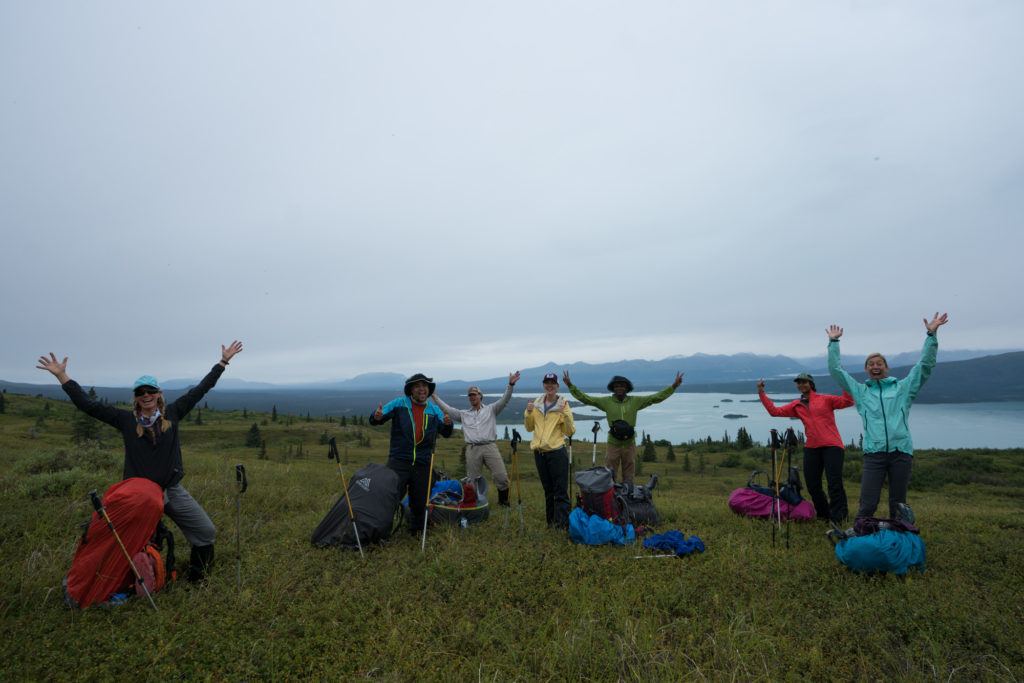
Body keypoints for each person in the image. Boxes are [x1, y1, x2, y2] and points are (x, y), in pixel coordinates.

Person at [36, 341, 244, 582]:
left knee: (205, 531)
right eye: (140, 392)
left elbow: (201, 389)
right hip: (139, 497)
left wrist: (223, 362)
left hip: (171, 489)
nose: (146, 396)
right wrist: (63, 376)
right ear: (135, 398)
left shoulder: (173, 415)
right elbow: (88, 405)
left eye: (151, 391)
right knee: (139, 542)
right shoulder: (125, 420)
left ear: (159, 395)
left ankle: (199, 580)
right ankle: (135, 582)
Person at [827, 313, 949, 520]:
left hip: (901, 451)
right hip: (874, 453)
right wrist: (833, 342)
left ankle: (899, 540)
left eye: (879, 363)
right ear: (866, 369)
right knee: (867, 503)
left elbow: (924, 367)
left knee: (898, 504)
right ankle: (860, 537)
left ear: (886, 367)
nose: (875, 366)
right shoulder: (861, 392)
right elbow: (836, 370)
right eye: (871, 364)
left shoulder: (903, 389)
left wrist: (931, 334)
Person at [757, 373, 854, 523]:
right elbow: (774, 412)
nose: (801, 385)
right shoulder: (797, 405)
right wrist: (761, 393)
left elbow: (848, 401)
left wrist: (844, 383)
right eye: (799, 383)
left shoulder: (825, 399)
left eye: (804, 382)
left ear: (811, 383)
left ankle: (839, 517)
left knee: (834, 483)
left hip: (832, 446)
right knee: (812, 485)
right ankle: (824, 515)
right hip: (812, 447)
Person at [562, 371, 683, 483]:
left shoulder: (635, 401)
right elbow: (586, 398)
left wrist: (673, 386)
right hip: (613, 444)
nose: (619, 388)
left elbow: (655, 398)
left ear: (627, 388)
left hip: (629, 444)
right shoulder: (606, 402)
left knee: (629, 474)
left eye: (622, 386)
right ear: (613, 388)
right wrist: (570, 386)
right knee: (609, 473)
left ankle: (628, 497)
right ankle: (611, 497)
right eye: (617, 386)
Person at [370, 373, 454, 534]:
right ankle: (380, 529)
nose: (422, 389)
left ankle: (417, 531)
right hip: (399, 461)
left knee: (420, 500)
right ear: (411, 390)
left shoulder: (434, 409)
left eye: (425, 386)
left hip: (423, 463)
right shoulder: (399, 404)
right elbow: (377, 418)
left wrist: (448, 425)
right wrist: (377, 415)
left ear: (428, 390)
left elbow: (446, 432)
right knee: (390, 496)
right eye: (417, 386)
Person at [432, 371, 521, 507]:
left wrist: (510, 384)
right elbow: (448, 409)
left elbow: (505, 399)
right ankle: (473, 504)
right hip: (472, 449)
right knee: (472, 480)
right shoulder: (464, 414)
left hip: (490, 446)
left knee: (501, 476)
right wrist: (434, 397)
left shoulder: (491, 409)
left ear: (480, 396)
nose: (472, 397)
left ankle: (503, 502)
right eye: (470, 396)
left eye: (474, 395)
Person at [524, 372, 576, 528]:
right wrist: (528, 412)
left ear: (557, 386)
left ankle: (562, 525)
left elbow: (570, 431)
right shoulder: (537, 403)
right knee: (548, 491)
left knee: (560, 491)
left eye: (553, 383)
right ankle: (550, 523)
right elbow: (529, 427)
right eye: (547, 382)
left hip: (556, 452)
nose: (550, 385)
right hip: (539, 453)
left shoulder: (564, 404)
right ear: (543, 385)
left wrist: (564, 413)